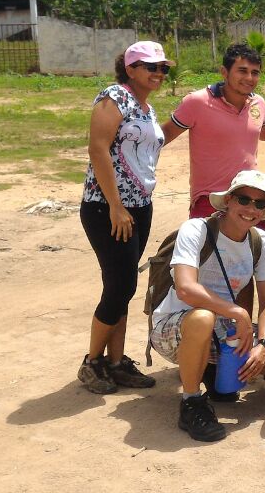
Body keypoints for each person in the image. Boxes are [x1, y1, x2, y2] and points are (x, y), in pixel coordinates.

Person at [149, 170, 265, 442]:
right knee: (203, 318)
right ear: (228, 200)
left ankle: (213, 371)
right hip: (175, 325)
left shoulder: (260, 242)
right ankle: (191, 402)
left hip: (222, 330)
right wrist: (235, 311)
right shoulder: (197, 229)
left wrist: (263, 345)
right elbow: (185, 287)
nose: (251, 209)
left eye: (260, 203)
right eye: (244, 199)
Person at [77, 41, 170, 394]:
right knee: (120, 285)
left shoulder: (146, 107)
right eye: (150, 66)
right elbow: (98, 146)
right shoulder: (114, 96)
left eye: (163, 68)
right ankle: (92, 362)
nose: (158, 73)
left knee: (124, 285)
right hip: (107, 207)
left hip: (139, 207)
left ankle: (115, 362)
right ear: (130, 68)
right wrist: (115, 205)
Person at [163, 42, 265, 221]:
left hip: (251, 198)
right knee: (208, 249)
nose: (249, 78)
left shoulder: (258, 103)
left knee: (254, 248)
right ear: (224, 72)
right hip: (209, 200)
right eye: (242, 71)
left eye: (255, 72)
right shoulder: (197, 102)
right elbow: (161, 137)